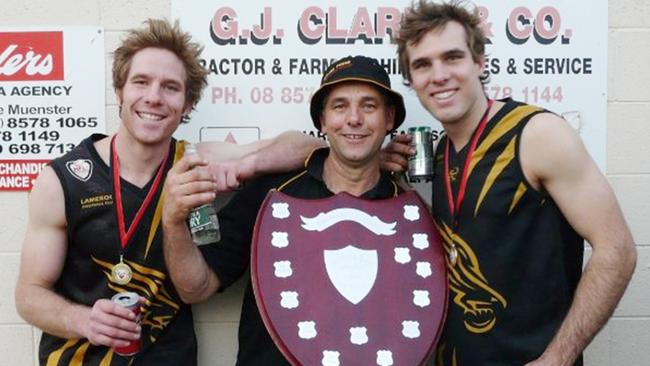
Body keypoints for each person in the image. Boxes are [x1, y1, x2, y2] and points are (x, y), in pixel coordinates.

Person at [14, 19, 322, 365]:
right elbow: (29, 293)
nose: (154, 97)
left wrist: (246, 165)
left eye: (171, 87)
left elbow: (306, 146)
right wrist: (83, 320)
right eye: (141, 82)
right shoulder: (62, 180)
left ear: (188, 104)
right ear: (120, 90)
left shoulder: (194, 161)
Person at [379, 1, 637, 365]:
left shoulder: (537, 134)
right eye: (422, 64)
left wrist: (557, 358)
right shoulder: (436, 155)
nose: (438, 75)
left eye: (452, 57)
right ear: (411, 80)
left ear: (479, 63)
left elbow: (617, 250)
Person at [162, 55, 408, 365]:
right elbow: (195, 288)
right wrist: (172, 222)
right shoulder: (273, 195)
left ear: (389, 118)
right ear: (322, 120)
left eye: (369, 106)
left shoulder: (408, 213)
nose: (354, 118)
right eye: (339, 106)